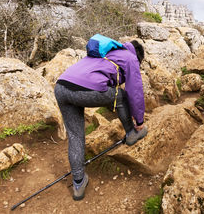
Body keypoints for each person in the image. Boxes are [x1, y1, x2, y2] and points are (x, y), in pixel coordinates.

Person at [54, 40, 147, 201]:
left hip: (61, 88)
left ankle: (78, 183)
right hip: (85, 90)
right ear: (138, 56)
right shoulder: (130, 58)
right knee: (122, 95)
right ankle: (132, 133)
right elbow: (135, 91)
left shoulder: (105, 52)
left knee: (75, 137)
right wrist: (139, 120)